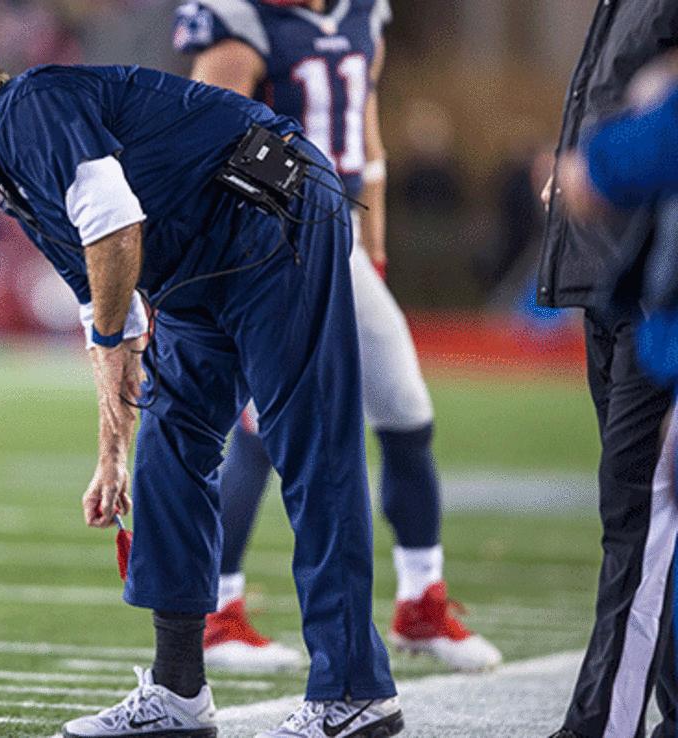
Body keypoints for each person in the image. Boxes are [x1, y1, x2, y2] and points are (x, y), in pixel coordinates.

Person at [0, 46, 402, 738]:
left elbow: (115, 225)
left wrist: (111, 352)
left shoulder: (31, 107)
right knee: (167, 448)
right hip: (195, 263)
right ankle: (178, 693)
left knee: (306, 441)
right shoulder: (20, 181)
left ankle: (354, 688)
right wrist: (111, 454)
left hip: (269, 211)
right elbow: (112, 321)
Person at [172, 0, 500, 673]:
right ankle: (216, 611)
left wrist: (371, 248)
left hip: (339, 242)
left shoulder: (363, 13)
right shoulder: (242, 20)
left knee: (403, 412)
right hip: (281, 240)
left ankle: (419, 600)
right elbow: (202, 138)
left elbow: (365, 136)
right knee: (271, 424)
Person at [536, 4, 678, 736]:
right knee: (650, 523)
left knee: (639, 518)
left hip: (655, 286)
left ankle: (597, 725)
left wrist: (609, 171)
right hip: (610, 275)